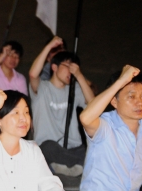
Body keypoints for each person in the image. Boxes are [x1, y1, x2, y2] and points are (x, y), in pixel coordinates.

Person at [29, 36, 94, 174]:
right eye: (68, 66)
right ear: (54, 67)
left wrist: (79, 75)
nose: (71, 71)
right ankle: (73, 166)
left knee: (87, 150)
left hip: (73, 146)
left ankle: (64, 166)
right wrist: (49, 47)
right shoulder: (42, 88)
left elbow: (93, 105)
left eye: (74, 68)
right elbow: (33, 74)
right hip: (49, 145)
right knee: (47, 148)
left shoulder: (74, 89)